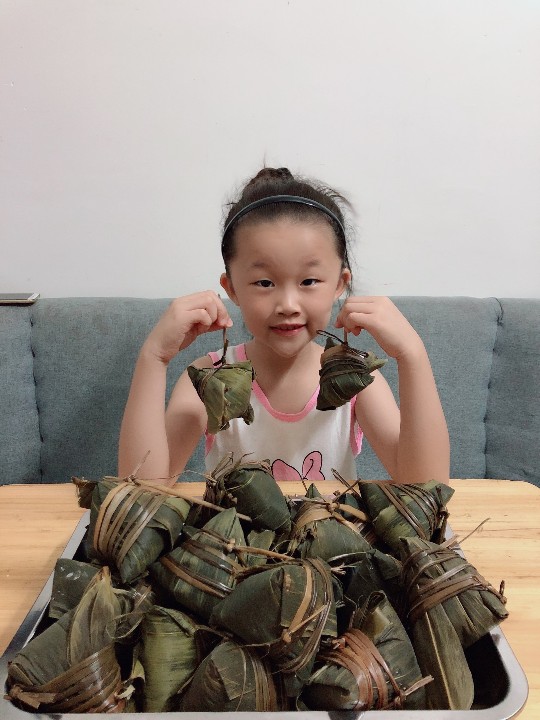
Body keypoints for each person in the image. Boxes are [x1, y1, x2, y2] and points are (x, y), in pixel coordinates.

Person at [118, 167, 450, 486]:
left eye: (309, 281)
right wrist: (153, 358)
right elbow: (143, 493)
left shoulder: (356, 380)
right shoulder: (209, 378)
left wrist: (413, 355)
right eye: (264, 282)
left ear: (340, 284)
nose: (288, 304)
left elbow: (426, 487)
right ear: (232, 288)